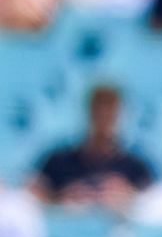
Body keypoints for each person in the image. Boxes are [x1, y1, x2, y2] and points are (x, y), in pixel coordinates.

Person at [31, 84, 154, 212]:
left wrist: (130, 197)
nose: (103, 119)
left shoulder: (136, 169)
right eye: (98, 112)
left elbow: (156, 208)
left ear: (120, 115)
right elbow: (30, 198)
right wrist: (60, 200)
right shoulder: (57, 163)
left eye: (110, 113)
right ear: (88, 113)